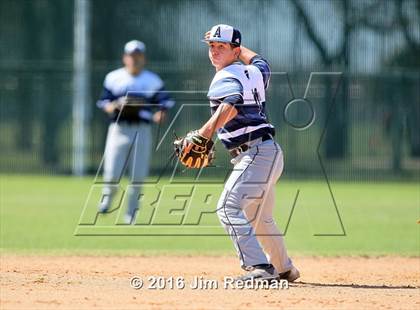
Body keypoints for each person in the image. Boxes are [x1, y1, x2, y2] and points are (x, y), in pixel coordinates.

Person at [199, 24, 300, 281]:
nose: (214, 52)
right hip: (268, 153)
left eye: (221, 47)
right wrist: (236, 47)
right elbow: (261, 61)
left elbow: (230, 105)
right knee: (260, 217)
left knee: (227, 207)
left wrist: (204, 134)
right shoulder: (255, 72)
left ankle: (260, 268)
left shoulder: (223, 77)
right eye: (211, 46)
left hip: (255, 154)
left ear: (235, 51)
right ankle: (284, 267)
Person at [96, 40, 174, 224]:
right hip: (119, 129)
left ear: (143, 58)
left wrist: (160, 114)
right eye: (131, 56)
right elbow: (103, 102)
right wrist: (114, 105)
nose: (134, 59)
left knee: (137, 176)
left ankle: (131, 214)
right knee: (112, 172)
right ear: (125, 58)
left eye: (138, 56)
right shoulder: (114, 77)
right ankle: (107, 198)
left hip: (142, 130)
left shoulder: (152, 80)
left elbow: (165, 103)